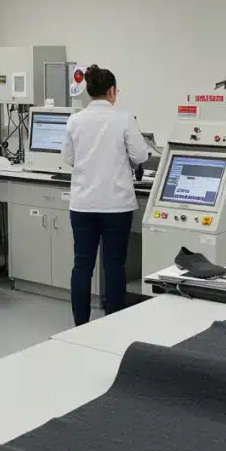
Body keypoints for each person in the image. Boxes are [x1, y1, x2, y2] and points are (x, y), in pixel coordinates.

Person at [61, 65, 149, 326]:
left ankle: (80, 325)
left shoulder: (75, 120)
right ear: (112, 91)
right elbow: (141, 155)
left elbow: (68, 158)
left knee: (82, 266)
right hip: (116, 206)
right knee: (114, 267)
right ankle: (112, 326)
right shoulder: (124, 119)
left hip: (83, 205)